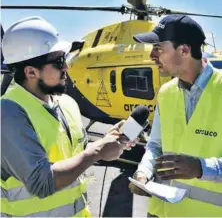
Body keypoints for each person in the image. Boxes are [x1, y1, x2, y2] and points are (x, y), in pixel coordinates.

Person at [1, 16, 129, 217]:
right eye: (59, 61)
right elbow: (41, 182)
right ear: (31, 72)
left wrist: (106, 142)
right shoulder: (9, 112)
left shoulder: (67, 103)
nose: (67, 68)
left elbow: (76, 154)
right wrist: (97, 152)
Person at [129, 15, 222, 217]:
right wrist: (144, 172)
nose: (152, 55)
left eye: (158, 48)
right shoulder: (165, 92)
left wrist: (201, 168)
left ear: (184, 50)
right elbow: (155, 145)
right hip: (163, 212)